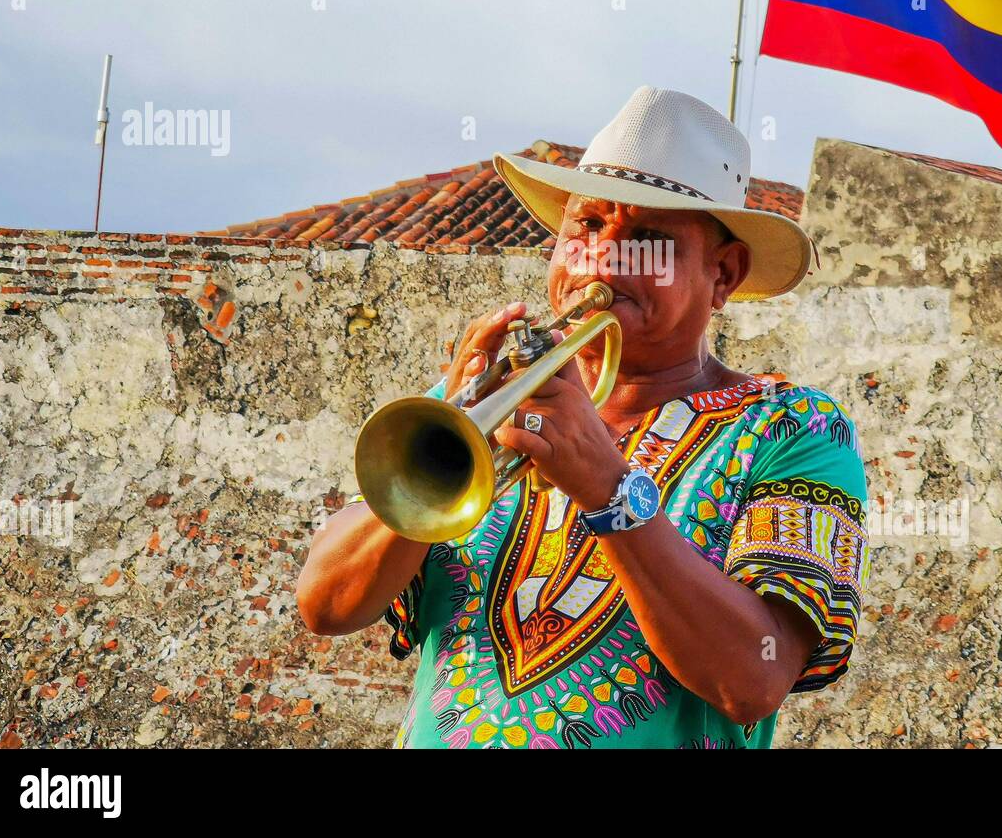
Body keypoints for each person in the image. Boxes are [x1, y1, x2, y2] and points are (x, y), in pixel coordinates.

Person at [297, 86, 869, 748]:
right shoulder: (481, 404)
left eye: (649, 240)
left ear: (724, 274)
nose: (605, 257)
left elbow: (752, 680)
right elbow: (327, 604)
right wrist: (457, 417)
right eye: (588, 226)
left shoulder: (795, 430)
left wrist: (607, 489)